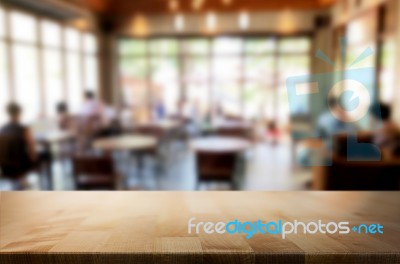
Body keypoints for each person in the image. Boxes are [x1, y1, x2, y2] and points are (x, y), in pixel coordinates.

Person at [0, 103, 38, 181]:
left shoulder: (2, 129)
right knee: (46, 155)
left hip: (5, 166)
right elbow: (32, 148)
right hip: (21, 165)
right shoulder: (24, 129)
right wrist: (34, 161)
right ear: (19, 113)